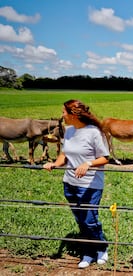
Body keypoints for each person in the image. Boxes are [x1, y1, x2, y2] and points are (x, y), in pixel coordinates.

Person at [43, 99, 110, 269]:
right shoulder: (70, 130)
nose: (62, 115)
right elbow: (64, 154)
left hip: (90, 184)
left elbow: (104, 158)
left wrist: (88, 164)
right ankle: (88, 251)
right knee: (80, 219)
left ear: (73, 114)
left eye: (64, 112)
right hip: (70, 183)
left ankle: (100, 248)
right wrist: (55, 164)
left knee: (89, 219)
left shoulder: (94, 132)